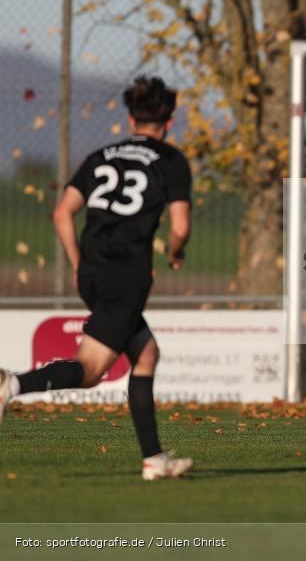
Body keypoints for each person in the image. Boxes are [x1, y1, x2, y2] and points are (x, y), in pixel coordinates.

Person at [0, 76, 194, 480]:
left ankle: (154, 459)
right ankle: (11, 384)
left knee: (146, 353)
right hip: (126, 276)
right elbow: (180, 226)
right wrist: (175, 253)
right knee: (89, 371)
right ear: (169, 122)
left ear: (131, 119)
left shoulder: (101, 156)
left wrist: (77, 262)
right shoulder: (171, 160)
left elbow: (62, 213)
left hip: (92, 271)